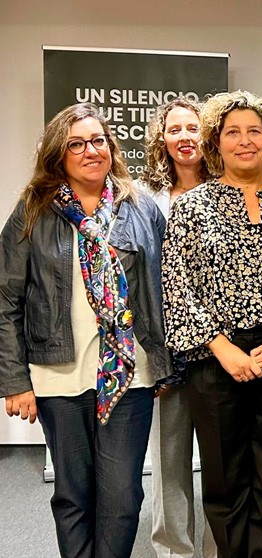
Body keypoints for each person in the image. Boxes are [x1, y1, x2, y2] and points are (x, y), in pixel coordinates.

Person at [0, 102, 171, 557]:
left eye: (98, 140)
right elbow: (6, 301)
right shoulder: (32, 213)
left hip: (127, 373)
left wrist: (163, 359)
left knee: (122, 497)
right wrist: (15, 381)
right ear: (59, 154)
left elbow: (162, 289)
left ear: (111, 147)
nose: (90, 150)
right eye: (76, 143)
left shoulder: (141, 209)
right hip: (58, 373)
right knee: (74, 494)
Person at [162, 90, 262, 558]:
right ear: (215, 142)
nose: (244, 141)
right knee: (225, 479)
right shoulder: (190, 208)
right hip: (215, 359)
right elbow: (178, 287)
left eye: (254, 132)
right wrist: (221, 347)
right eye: (232, 133)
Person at [140, 97, 217, 558]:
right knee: (168, 459)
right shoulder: (143, 199)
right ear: (162, 138)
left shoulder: (226, 192)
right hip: (162, 347)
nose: (185, 137)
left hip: (215, 346)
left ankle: (216, 548)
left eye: (194, 128)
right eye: (176, 129)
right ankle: (174, 550)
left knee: (219, 459)